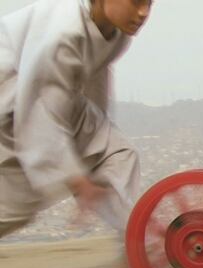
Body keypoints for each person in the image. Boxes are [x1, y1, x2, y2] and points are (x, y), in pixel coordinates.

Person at [0, 0, 152, 241]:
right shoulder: (63, 34)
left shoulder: (116, 34)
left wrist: (90, 150)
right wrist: (76, 177)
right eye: (135, 2)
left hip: (43, 100)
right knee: (15, 206)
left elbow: (94, 82)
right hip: (11, 103)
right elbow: (39, 110)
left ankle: (138, 244)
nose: (143, 12)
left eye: (149, 3)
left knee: (118, 153)